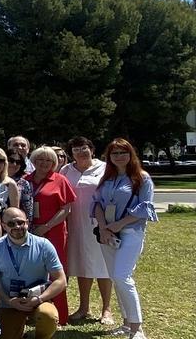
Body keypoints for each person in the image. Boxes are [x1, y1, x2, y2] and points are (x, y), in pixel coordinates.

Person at [92, 138, 158, 339]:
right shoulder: (107, 178)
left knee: (122, 276)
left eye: (123, 152)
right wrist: (104, 228)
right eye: (114, 153)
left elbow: (145, 208)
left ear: (131, 154)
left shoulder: (141, 178)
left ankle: (137, 329)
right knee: (115, 278)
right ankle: (126, 323)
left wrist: (118, 225)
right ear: (109, 157)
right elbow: (97, 204)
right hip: (108, 234)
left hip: (130, 233)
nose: (119, 157)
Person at [0, 208, 67, 339]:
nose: (17, 227)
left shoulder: (44, 245)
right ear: (3, 226)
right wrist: (8, 301)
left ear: (27, 223)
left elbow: (61, 280)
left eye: (20, 222)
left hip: (39, 300)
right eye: (11, 224)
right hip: (11, 302)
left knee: (48, 316)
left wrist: (39, 299)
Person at [60, 136, 113, 324]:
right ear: (71, 153)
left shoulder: (105, 168)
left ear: (92, 149)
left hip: (100, 223)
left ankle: (106, 309)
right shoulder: (66, 170)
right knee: (81, 264)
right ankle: (84, 307)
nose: (80, 152)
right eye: (75, 150)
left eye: (84, 148)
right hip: (74, 224)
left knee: (103, 266)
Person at [25, 146, 76, 325]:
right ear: (34, 161)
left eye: (48, 160)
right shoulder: (25, 180)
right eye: (40, 159)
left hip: (53, 231)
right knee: (32, 269)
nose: (44, 163)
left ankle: (60, 316)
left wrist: (46, 226)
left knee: (56, 271)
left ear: (54, 163)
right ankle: (32, 312)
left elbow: (66, 209)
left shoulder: (60, 180)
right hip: (29, 232)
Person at [7, 149, 34, 221]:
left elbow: (28, 211)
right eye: (11, 160)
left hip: (13, 226)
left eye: (18, 162)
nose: (14, 164)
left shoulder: (23, 184)